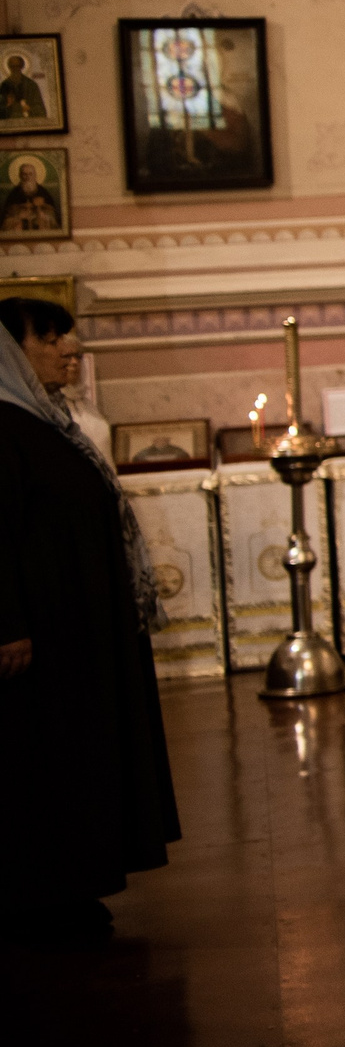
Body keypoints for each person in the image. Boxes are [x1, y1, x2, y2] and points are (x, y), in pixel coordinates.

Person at [0, 295, 182, 943]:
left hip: (78, 625)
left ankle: (74, 883)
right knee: (41, 763)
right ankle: (37, 895)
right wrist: (7, 622)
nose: (66, 350)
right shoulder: (2, 426)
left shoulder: (50, 421)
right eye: (49, 339)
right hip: (39, 633)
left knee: (81, 756)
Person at [2, 156, 61, 232]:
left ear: (35, 175)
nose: (28, 177)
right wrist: (19, 216)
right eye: (24, 174)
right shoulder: (14, 194)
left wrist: (41, 213)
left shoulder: (43, 192)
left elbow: (53, 216)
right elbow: (6, 219)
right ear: (20, 176)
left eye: (30, 174)